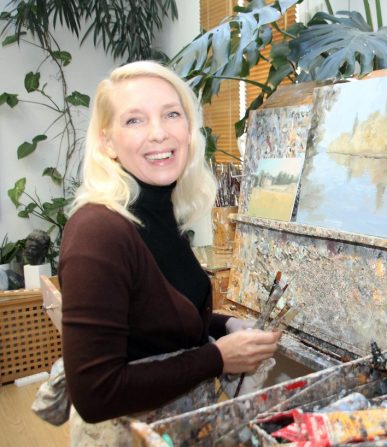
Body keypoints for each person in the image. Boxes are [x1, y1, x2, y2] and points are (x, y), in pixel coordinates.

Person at [58, 61, 281, 444]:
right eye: (134, 120)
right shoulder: (98, 232)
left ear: (189, 129)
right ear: (107, 142)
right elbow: (96, 394)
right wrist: (218, 358)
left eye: (171, 114)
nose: (159, 133)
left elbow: (151, 317)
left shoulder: (161, 213)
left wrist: (224, 325)